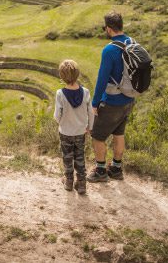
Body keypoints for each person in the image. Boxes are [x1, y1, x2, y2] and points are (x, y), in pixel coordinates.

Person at [88, 11, 134, 182]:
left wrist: (95, 102)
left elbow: (102, 78)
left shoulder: (109, 50)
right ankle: (116, 168)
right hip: (129, 99)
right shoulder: (132, 42)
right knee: (119, 134)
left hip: (113, 101)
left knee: (98, 136)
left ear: (108, 29)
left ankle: (100, 171)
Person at [54, 59, 94, 194]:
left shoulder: (60, 93)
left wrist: (60, 122)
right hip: (80, 131)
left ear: (62, 76)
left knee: (67, 156)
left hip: (65, 131)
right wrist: (90, 126)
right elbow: (91, 112)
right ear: (78, 74)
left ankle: (69, 182)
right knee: (80, 156)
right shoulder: (86, 92)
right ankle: (82, 184)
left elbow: (57, 114)